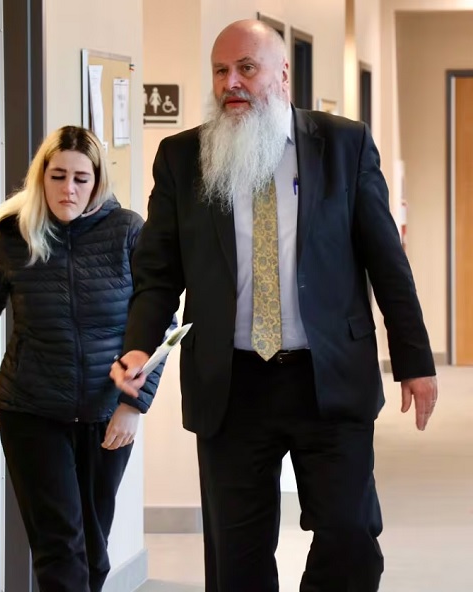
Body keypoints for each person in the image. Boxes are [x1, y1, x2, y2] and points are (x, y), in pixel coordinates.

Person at [111, 19, 438, 592]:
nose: (230, 83)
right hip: (231, 385)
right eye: (220, 71)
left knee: (351, 538)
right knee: (236, 560)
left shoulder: (344, 145)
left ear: (283, 74)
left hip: (328, 379)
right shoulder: (183, 158)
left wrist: (414, 359)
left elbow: (387, 261)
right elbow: (158, 274)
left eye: (246, 68)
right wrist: (140, 347)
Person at [0, 125, 170, 592]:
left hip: (106, 415)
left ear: (97, 181)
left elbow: (159, 323)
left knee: (93, 553)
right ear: (41, 177)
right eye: (58, 176)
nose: (68, 189)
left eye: (81, 179)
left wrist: (133, 405)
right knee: (60, 550)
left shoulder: (127, 230)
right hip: (31, 410)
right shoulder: (14, 235)